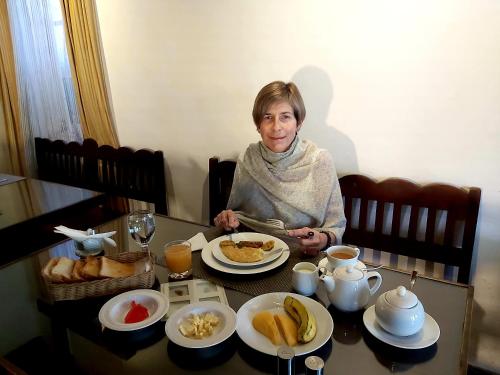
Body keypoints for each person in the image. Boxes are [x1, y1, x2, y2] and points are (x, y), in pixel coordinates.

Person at [213, 81, 346, 255]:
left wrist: (321, 239)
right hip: (252, 251)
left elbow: (335, 226)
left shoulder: (319, 161)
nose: (276, 127)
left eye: (285, 117)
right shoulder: (249, 157)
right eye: (268, 117)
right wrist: (228, 219)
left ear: (298, 123)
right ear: (258, 125)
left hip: (300, 254)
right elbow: (237, 215)